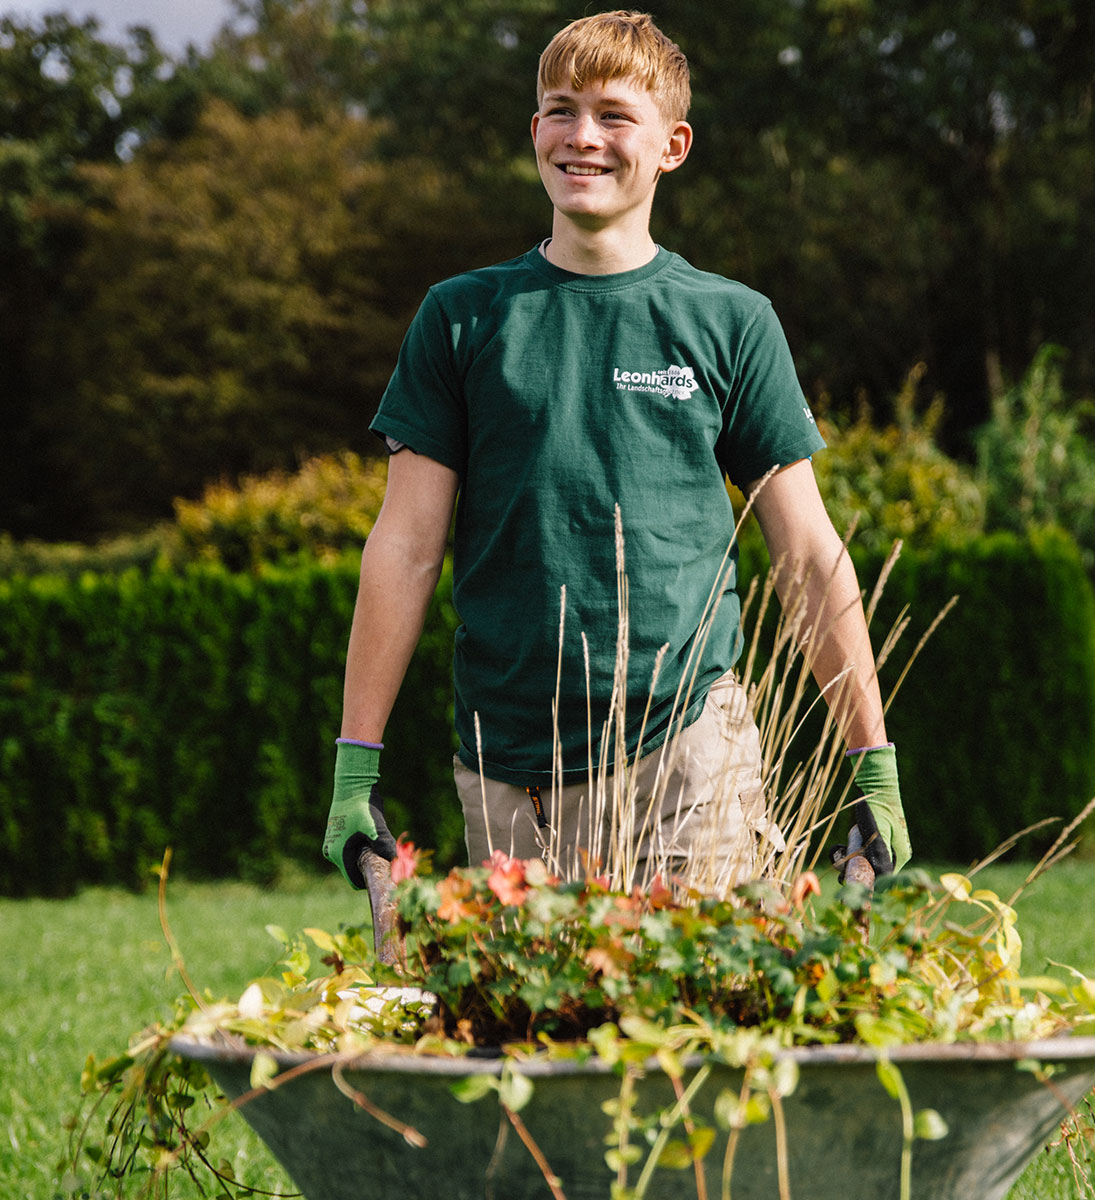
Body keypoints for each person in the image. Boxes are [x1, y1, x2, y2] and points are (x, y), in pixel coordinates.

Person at [322, 9, 911, 892]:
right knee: (537, 1026)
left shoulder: (728, 321)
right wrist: (355, 766)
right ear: (534, 132)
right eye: (560, 110)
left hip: (685, 750)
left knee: (698, 1016)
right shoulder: (463, 318)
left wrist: (873, 758)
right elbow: (404, 547)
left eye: (612, 114)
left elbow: (806, 556)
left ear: (671, 145)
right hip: (504, 762)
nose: (582, 137)